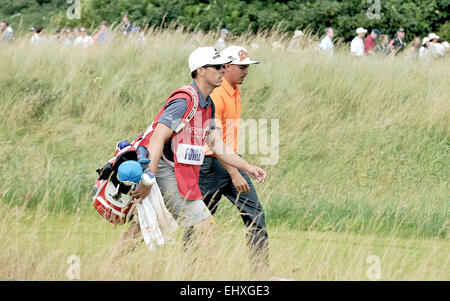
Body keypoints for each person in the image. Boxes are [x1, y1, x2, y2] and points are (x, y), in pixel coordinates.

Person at [110, 47, 267, 259]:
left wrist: (247, 167)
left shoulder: (208, 104)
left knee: (150, 224)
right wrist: (148, 179)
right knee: (204, 224)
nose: (222, 70)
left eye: (223, 66)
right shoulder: (185, 100)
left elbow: (216, 144)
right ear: (201, 70)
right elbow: (158, 137)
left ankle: (107, 267)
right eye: (218, 66)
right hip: (162, 167)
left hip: (178, 171)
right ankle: (199, 279)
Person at [197, 45, 269, 271]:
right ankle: (190, 271)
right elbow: (214, 142)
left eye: (248, 66)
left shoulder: (235, 91)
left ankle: (260, 273)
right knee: (200, 223)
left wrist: (238, 167)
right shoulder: (217, 95)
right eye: (242, 66)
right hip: (210, 167)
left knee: (255, 214)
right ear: (227, 66)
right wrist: (235, 172)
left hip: (230, 162)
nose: (247, 71)